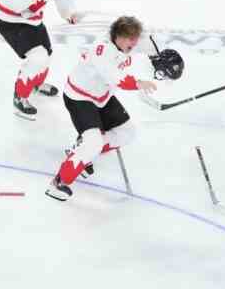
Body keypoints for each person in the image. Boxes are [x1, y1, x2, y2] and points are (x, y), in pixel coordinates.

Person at [45, 16, 158, 201]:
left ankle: (81, 149)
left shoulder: (124, 41)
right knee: (93, 142)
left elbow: (149, 43)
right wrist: (139, 83)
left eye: (135, 39)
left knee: (127, 133)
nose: (134, 43)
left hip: (102, 97)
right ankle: (59, 182)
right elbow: (117, 78)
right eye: (131, 39)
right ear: (119, 37)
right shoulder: (102, 50)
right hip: (79, 97)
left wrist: (161, 57)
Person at [0, 0, 80, 120]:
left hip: (33, 20)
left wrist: (68, 13)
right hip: (10, 21)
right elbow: (19, 5)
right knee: (37, 57)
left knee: (46, 54)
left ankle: (35, 83)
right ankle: (20, 96)